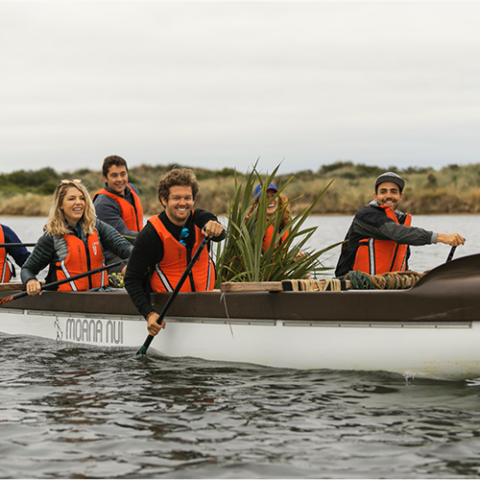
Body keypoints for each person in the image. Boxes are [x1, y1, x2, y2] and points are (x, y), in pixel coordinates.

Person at [124, 167, 225, 336]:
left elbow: (220, 234)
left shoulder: (200, 219)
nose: (183, 203)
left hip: (205, 307)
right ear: (164, 200)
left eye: (188, 198)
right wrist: (149, 314)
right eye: (176, 198)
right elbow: (131, 279)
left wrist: (215, 226)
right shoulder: (151, 234)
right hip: (168, 311)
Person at [335, 172, 465, 277]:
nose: (388, 196)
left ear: (400, 196)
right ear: (375, 196)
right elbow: (396, 233)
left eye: (393, 191)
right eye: (383, 191)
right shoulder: (367, 215)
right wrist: (441, 238)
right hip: (353, 286)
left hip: (388, 287)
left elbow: (402, 258)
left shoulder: (400, 219)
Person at [22, 179, 133, 295]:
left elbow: (123, 247)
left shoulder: (96, 226)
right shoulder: (51, 237)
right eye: (71, 199)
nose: (78, 202)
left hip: (101, 294)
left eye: (82, 198)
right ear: (60, 205)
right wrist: (30, 281)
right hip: (68, 299)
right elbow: (27, 269)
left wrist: (142, 254)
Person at [93, 155, 143, 273]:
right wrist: (151, 239)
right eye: (114, 175)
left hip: (136, 247)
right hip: (113, 256)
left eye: (123, 174)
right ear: (105, 178)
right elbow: (123, 235)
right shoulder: (103, 203)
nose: (120, 179)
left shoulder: (133, 189)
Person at [246, 183, 290, 252]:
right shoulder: (254, 226)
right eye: (265, 197)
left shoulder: (283, 223)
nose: (270, 200)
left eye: (273, 195)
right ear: (257, 203)